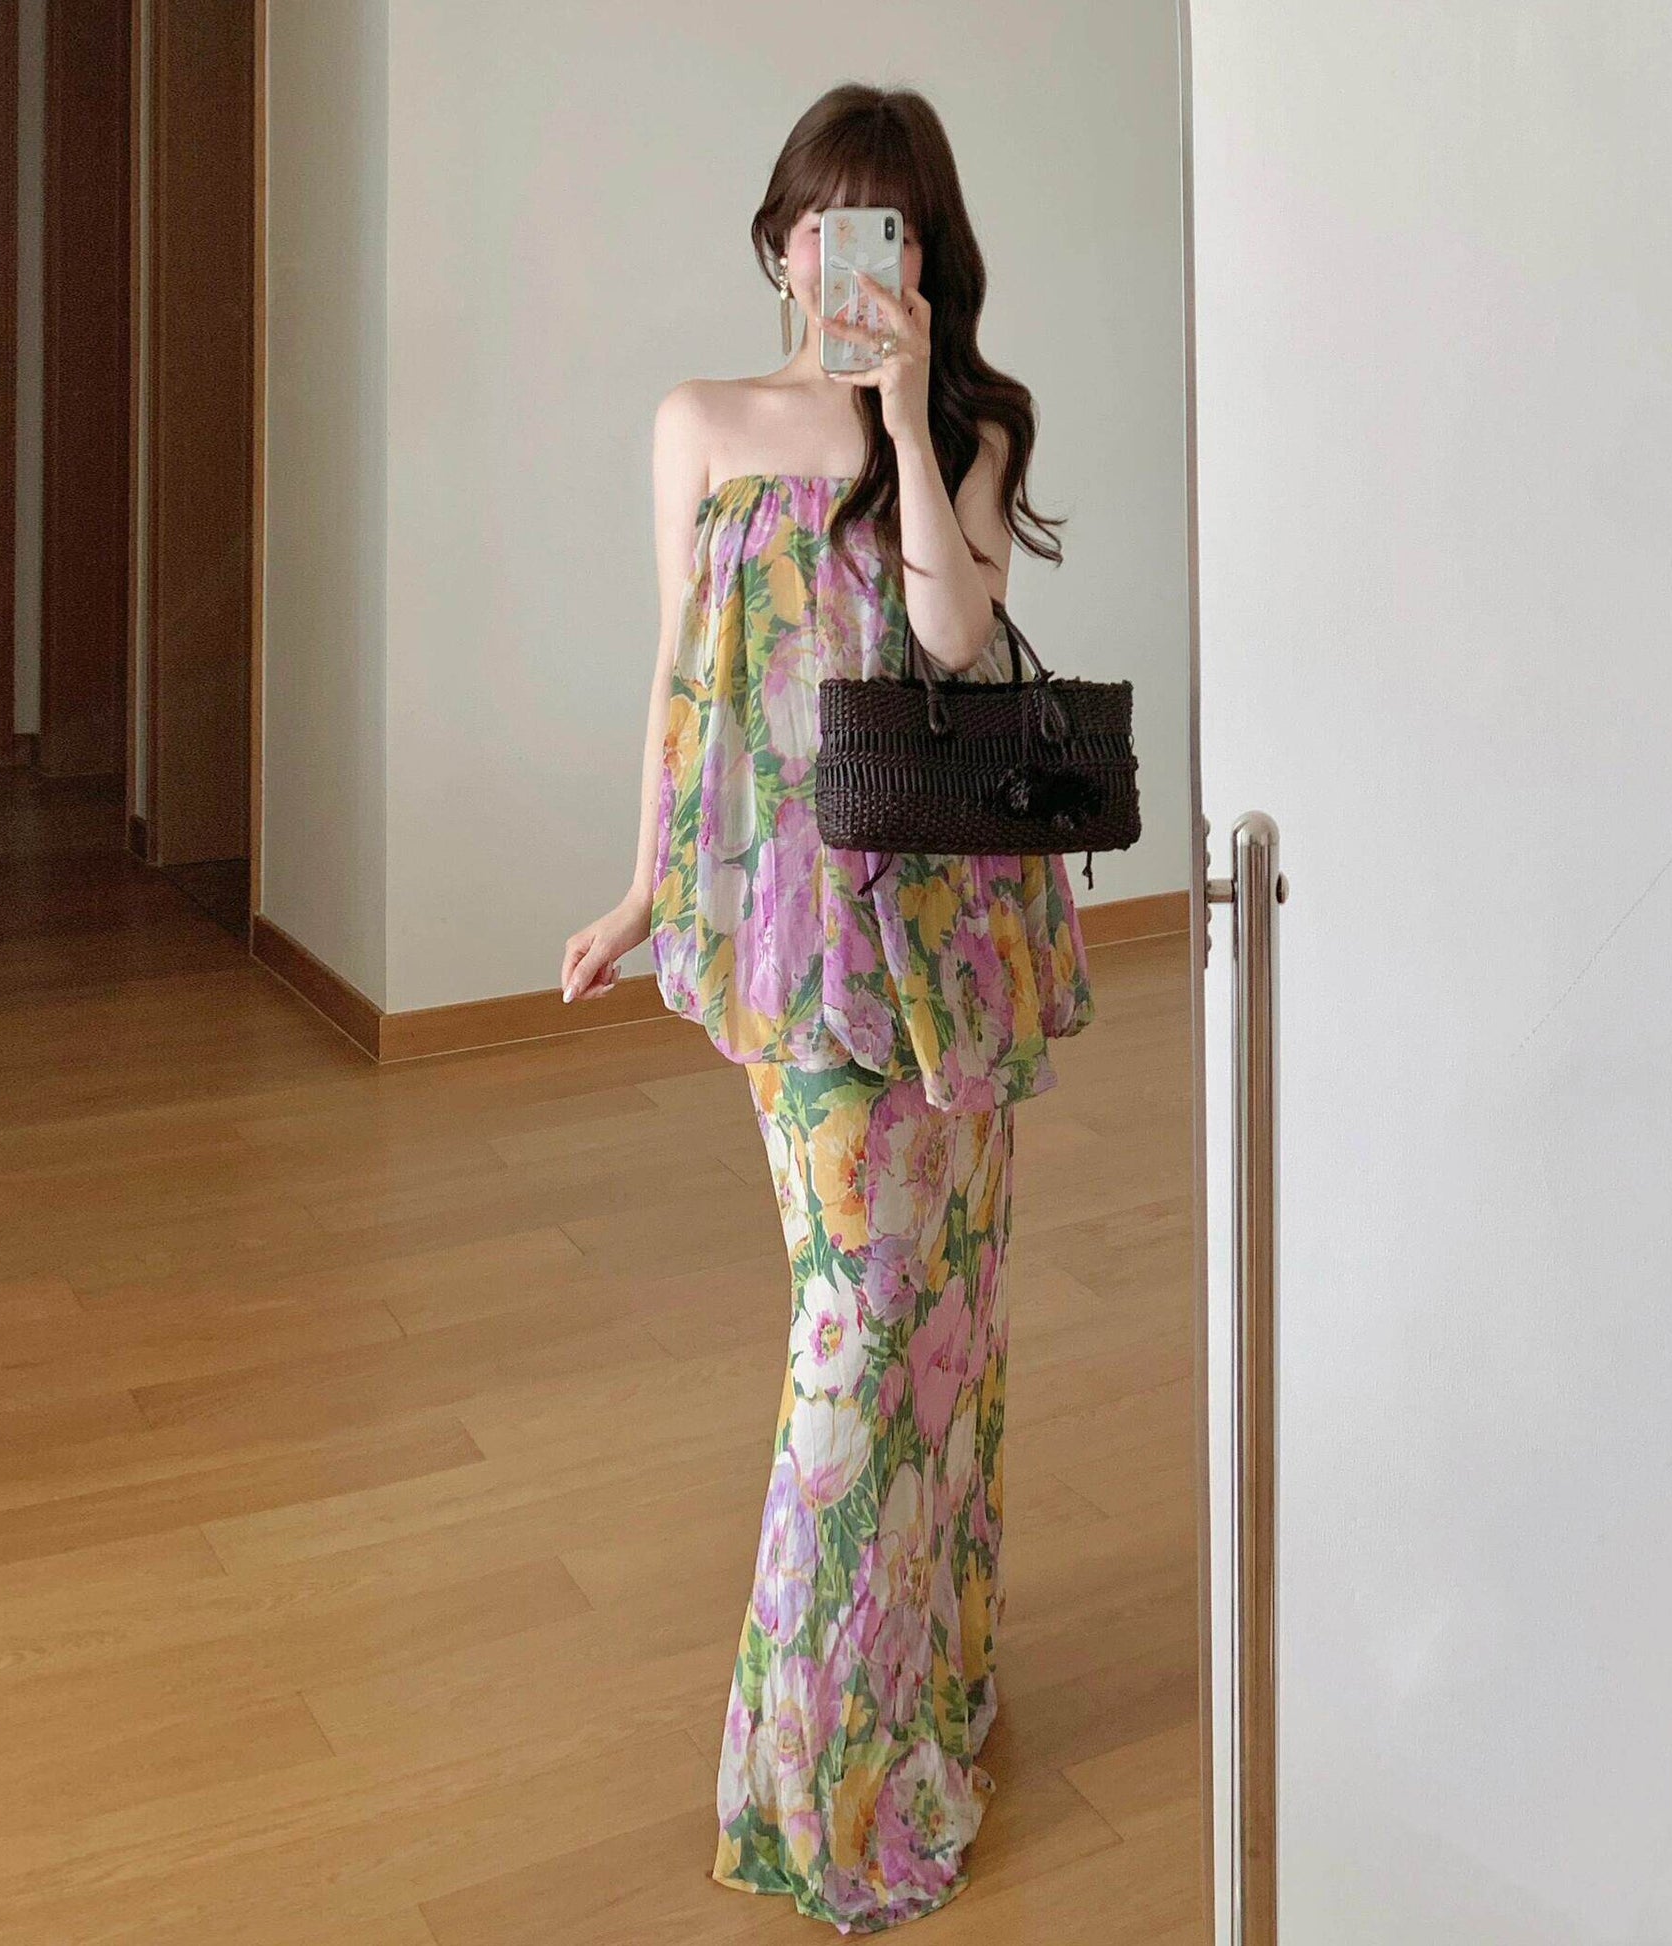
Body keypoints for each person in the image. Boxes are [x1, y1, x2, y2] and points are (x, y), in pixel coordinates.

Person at [559, 82, 1095, 1935]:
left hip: (952, 932)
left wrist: (903, 413)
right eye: (818, 222)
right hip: (796, 943)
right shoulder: (698, 424)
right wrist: (644, 882)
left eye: (883, 228)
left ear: (924, 258)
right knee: (858, 1325)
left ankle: (926, 1683)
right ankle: (805, 1775)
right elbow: (679, 671)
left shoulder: (973, 425)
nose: (840, 254)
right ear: (779, 237)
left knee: (952, 1307)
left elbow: (951, 637)